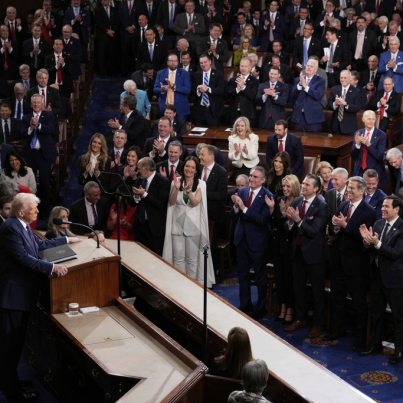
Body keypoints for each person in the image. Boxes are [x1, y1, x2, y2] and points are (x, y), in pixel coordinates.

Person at [0, 193, 80, 400]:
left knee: (16, 345)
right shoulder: (11, 227)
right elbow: (23, 258)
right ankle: (12, 391)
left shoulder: (23, 226)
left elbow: (39, 246)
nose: (37, 212)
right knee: (9, 346)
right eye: (34, 209)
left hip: (22, 295)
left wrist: (66, 239)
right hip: (13, 297)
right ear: (21, 212)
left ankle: (11, 381)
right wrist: (52, 267)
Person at [324, 176, 377, 350]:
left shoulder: (369, 211)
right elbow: (333, 227)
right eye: (348, 187)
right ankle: (337, 330)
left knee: (359, 303)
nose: (349, 191)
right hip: (338, 260)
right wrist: (336, 227)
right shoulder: (344, 205)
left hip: (356, 265)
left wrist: (345, 225)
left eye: (352, 188)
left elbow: (364, 237)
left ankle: (360, 340)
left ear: (362, 190)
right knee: (337, 298)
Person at [359, 196, 403, 365]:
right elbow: (370, 249)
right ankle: (375, 345)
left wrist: (376, 243)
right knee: (376, 314)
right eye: (382, 206)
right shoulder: (378, 224)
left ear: (396, 209)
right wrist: (367, 242)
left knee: (398, 318)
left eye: (386, 206)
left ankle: (399, 351)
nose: (382, 209)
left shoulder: (401, 227)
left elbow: (396, 254)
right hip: (376, 277)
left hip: (394, 280)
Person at [284, 174, 329, 339]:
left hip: (315, 255)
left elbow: (314, 231)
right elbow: (289, 227)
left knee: (317, 292)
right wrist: (289, 221)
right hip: (297, 252)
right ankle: (300, 318)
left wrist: (298, 221)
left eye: (307, 185)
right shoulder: (297, 201)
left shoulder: (322, 206)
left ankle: (318, 324)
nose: (303, 186)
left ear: (316, 188)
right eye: (303, 183)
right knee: (298, 289)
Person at [162, 156, 214, 286]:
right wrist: (176, 187)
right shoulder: (176, 181)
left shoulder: (201, 184)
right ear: (183, 167)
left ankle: (192, 286)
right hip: (177, 225)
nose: (189, 169)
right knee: (178, 259)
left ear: (196, 170)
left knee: (192, 260)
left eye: (192, 167)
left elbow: (196, 202)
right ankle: (181, 285)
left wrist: (189, 192)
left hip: (193, 226)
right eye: (187, 166)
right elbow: (171, 202)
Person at [231, 167, 273, 319]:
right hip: (241, 240)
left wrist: (244, 208)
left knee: (260, 277)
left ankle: (260, 307)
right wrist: (236, 207)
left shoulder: (268, 197)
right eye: (250, 176)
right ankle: (245, 303)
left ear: (263, 180)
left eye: (255, 177)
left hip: (257, 242)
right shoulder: (242, 192)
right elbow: (234, 216)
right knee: (242, 275)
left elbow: (263, 220)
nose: (251, 179)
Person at [268, 175, 300, 324]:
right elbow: (273, 222)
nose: (286, 189)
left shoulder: (299, 201)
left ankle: (290, 308)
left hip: (291, 247)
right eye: (284, 186)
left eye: (288, 186)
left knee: (289, 279)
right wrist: (273, 210)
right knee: (279, 278)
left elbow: (294, 229)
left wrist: (284, 216)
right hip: (277, 245)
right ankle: (282, 305)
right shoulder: (279, 199)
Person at [20, 93, 57, 217]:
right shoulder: (25, 118)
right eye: (34, 102)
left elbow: (50, 129)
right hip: (30, 155)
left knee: (45, 182)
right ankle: (29, 208)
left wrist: (38, 125)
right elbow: (21, 133)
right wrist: (30, 127)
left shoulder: (49, 115)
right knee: (30, 183)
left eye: (38, 102)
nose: (36, 104)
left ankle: (44, 210)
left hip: (44, 155)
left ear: (43, 105)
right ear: (31, 104)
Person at [129, 157, 170, 256]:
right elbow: (132, 202)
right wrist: (136, 196)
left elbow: (160, 203)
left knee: (155, 258)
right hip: (140, 227)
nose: (137, 171)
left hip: (155, 229)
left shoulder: (163, 181)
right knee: (139, 256)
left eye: (139, 169)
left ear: (146, 169)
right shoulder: (139, 180)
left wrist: (144, 194)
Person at [351, 110, 387, 188]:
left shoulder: (381, 135)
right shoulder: (358, 133)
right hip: (359, 171)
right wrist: (357, 145)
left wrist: (369, 145)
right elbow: (353, 155)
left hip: (374, 172)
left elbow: (380, 157)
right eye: (369, 119)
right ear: (363, 119)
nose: (371, 121)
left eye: (373, 119)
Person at [290, 59, 325, 132]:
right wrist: (300, 84)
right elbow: (293, 96)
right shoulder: (298, 80)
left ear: (316, 69)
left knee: (313, 141)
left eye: (311, 66)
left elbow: (317, 95)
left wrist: (305, 87)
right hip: (299, 116)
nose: (308, 67)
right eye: (307, 66)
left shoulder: (320, 81)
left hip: (313, 118)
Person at [154, 53, 191, 121]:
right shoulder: (160, 73)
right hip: (165, 109)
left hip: (180, 110)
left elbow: (187, 90)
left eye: (175, 61)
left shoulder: (184, 73)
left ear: (178, 62)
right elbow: (155, 89)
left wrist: (174, 86)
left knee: (180, 130)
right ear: (167, 62)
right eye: (171, 61)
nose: (173, 63)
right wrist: (161, 90)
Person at [192, 53, 225, 126]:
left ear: (210, 62)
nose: (203, 64)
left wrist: (208, 89)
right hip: (199, 111)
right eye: (201, 63)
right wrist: (198, 91)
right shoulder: (196, 75)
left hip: (213, 111)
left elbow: (221, 89)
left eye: (205, 62)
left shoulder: (218, 74)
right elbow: (192, 90)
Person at [327, 70, 361, 135]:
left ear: (350, 78)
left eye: (345, 78)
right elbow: (329, 104)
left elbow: (357, 107)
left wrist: (345, 104)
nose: (343, 80)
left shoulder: (356, 91)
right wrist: (335, 104)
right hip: (335, 126)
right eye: (341, 78)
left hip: (349, 127)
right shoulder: (334, 89)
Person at [227, 58, 259, 127]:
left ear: (250, 67)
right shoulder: (233, 80)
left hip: (248, 115)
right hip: (234, 114)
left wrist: (243, 87)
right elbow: (228, 95)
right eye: (242, 66)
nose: (243, 68)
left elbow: (253, 96)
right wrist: (237, 89)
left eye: (246, 66)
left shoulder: (254, 81)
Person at [94, 0, 120, 78]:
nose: (104, 1)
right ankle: (102, 72)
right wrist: (107, 30)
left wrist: (113, 31)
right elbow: (98, 23)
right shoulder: (98, 10)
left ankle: (110, 71)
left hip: (112, 36)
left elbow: (117, 22)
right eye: (102, 0)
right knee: (102, 55)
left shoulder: (114, 9)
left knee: (111, 54)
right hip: (102, 36)